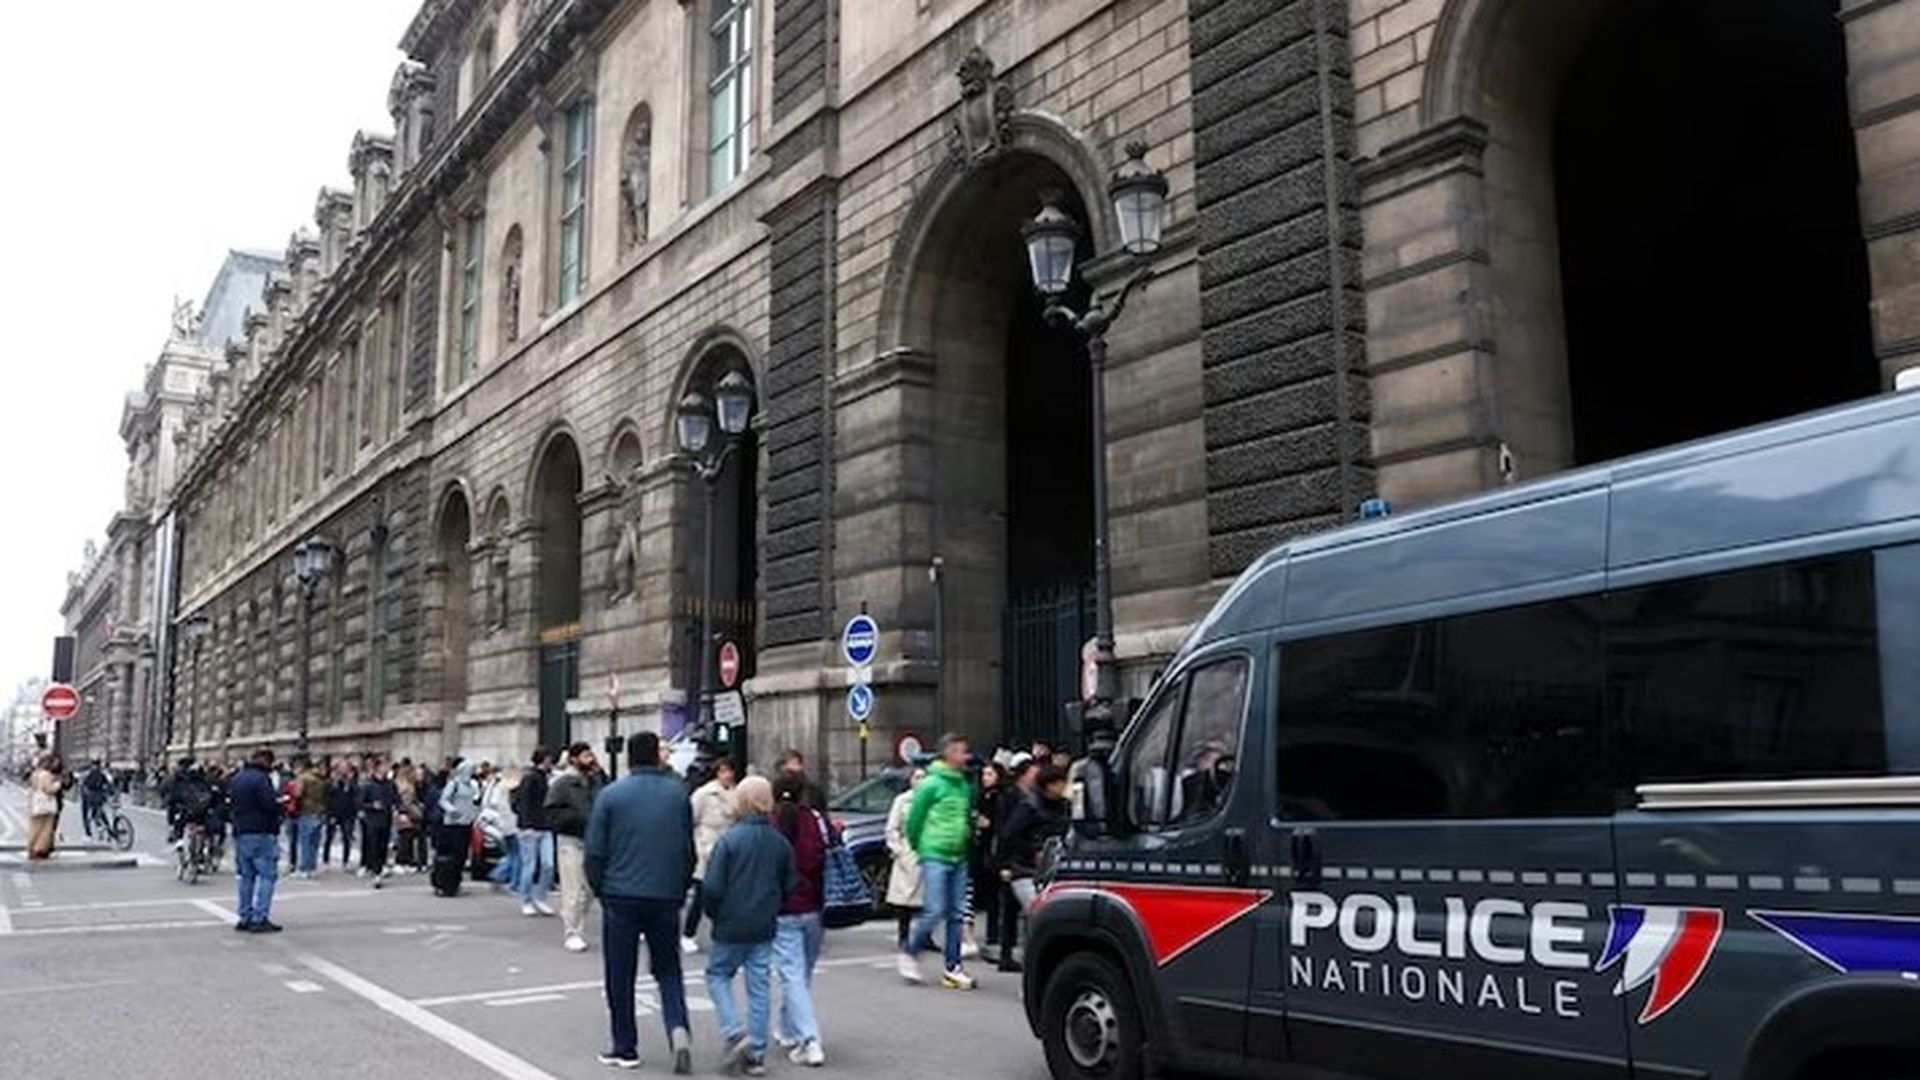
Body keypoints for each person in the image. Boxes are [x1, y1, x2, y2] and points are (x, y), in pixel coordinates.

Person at [586, 732, 696, 1074]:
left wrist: (601, 889)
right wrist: (678, 888)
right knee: (668, 969)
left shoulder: (611, 795)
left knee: (620, 974)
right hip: (665, 894)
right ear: (657, 757)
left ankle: (625, 1047)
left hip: (620, 894)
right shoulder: (677, 794)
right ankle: (677, 1026)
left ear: (630, 757)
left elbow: (595, 852)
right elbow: (687, 851)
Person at [702, 776, 794, 1079]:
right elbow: (789, 884)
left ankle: (734, 1031)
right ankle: (756, 1054)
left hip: (731, 920)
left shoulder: (729, 841)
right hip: (763, 922)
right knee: (759, 988)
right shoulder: (779, 842)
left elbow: (713, 887)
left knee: (718, 974)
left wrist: (714, 913)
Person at [900, 733, 977, 989]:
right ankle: (910, 951)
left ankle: (953, 967)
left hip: (958, 854)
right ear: (949, 753)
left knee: (956, 914)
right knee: (934, 909)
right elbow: (915, 819)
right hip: (935, 852)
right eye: (961, 751)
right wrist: (920, 846)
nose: (966, 757)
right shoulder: (931, 784)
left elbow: (965, 816)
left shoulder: (963, 784)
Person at [770, 773, 828, 1067]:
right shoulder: (815, 821)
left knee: (792, 976)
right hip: (814, 907)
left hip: (784, 909)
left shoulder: (771, 824)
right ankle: (787, 1028)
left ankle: (809, 1039)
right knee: (801, 975)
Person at [997, 764, 1070, 969]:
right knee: (1037, 912)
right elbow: (1010, 835)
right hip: (1025, 868)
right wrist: (1030, 851)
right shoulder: (1030, 806)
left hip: (1050, 867)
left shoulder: (1063, 806)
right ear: (1051, 785)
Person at [546, 741, 607, 952]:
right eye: (586, 756)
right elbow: (551, 811)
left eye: (591, 755)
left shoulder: (596, 780)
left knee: (589, 889)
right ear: (574, 759)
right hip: (571, 840)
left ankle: (574, 920)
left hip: (593, 840)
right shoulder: (563, 783)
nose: (590, 759)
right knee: (574, 890)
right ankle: (572, 931)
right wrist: (574, 819)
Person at [685, 757, 739, 953]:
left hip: (729, 843)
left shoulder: (737, 793)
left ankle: (723, 932)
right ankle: (689, 933)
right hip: (707, 844)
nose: (727, 775)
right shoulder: (704, 793)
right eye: (723, 771)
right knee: (702, 894)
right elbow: (692, 817)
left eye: (730, 771)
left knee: (728, 895)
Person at [230, 749, 284, 932]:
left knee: (246, 876)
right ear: (266, 761)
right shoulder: (262, 779)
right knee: (267, 875)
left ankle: (244, 915)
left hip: (241, 830)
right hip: (261, 830)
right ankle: (260, 917)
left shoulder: (238, 777)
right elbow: (269, 804)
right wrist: (279, 806)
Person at [885, 767, 927, 948]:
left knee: (928, 898)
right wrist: (898, 849)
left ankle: (926, 936)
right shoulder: (902, 800)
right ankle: (904, 935)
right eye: (917, 777)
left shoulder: (932, 800)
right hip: (908, 851)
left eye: (924, 777)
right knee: (905, 899)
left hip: (928, 850)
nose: (920, 781)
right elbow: (892, 828)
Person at [514, 748, 557, 918]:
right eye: (549, 759)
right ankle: (526, 900)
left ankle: (540, 897)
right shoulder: (531, 778)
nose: (551, 763)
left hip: (544, 826)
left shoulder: (546, 778)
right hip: (531, 827)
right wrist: (526, 825)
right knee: (530, 866)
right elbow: (524, 802)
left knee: (548, 865)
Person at [434, 759, 480, 895]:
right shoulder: (454, 784)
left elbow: (474, 801)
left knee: (462, 854)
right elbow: (443, 800)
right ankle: (446, 882)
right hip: (452, 824)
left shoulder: (472, 785)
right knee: (451, 855)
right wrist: (452, 810)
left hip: (466, 823)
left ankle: (456, 881)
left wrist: (475, 813)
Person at [481, 762, 521, 892]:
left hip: (503, 824)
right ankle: (511, 881)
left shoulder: (498, 786)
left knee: (511, 853)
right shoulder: (512, 788)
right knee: (517, 855)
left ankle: (498, 874)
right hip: (513, 824)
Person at [358, 757, 398, 886]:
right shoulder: (368, 785)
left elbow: (395, 799)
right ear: (378, 768)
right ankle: (375, 871)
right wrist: (371, 805)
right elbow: (360, 802)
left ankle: (380, 868)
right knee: (374, 846)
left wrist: (396, 809)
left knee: (383, 846)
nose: (386, 769)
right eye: (384, 766)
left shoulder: (390, 784)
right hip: (372, 820)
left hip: (386, 818)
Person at [294, 758, 328, 878]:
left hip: (306, 811)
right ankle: (312, 867)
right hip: (319, 812)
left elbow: (298, 794)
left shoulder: (303, 778)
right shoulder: (320, 778)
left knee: (305, 842)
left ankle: (304, 868)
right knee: (314, 843)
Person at [26, 754, 63, 860]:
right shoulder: (46, 775)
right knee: (45, 829)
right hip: (46, 805)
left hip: (36, 804)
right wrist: (58, 784)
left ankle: (31, 847)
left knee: (35, 828)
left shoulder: (35, 774)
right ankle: (40, 849)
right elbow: (49, 789)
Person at [325, 760, 358, 869]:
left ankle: (346, 860)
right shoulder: (332, 782)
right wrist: (330, 814)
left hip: (348, 814)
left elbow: (355, 797)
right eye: (341, 768)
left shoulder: (352, 782)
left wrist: (350, 783)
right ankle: (326, 859)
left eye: (346, 768)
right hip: (334, 813)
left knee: (347, 837)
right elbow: (328, 799)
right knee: (329, 837)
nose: (344, 770)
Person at [394, 764, 426, 872]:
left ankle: (407, 860)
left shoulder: (409, 785)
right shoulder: (405, 787)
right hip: (405, 813)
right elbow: (405, 802)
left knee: (408, 838)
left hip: (407, 813)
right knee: (405, 838)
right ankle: (401, 861)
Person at [80, 759, 111, 838]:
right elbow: (107, 785)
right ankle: (107, 829)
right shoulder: (102, 774)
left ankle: (89, 833)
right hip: (100, 797)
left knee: (86, 815)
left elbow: (84, 785)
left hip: (90, 798)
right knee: (99, 813)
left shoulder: (89, 774)